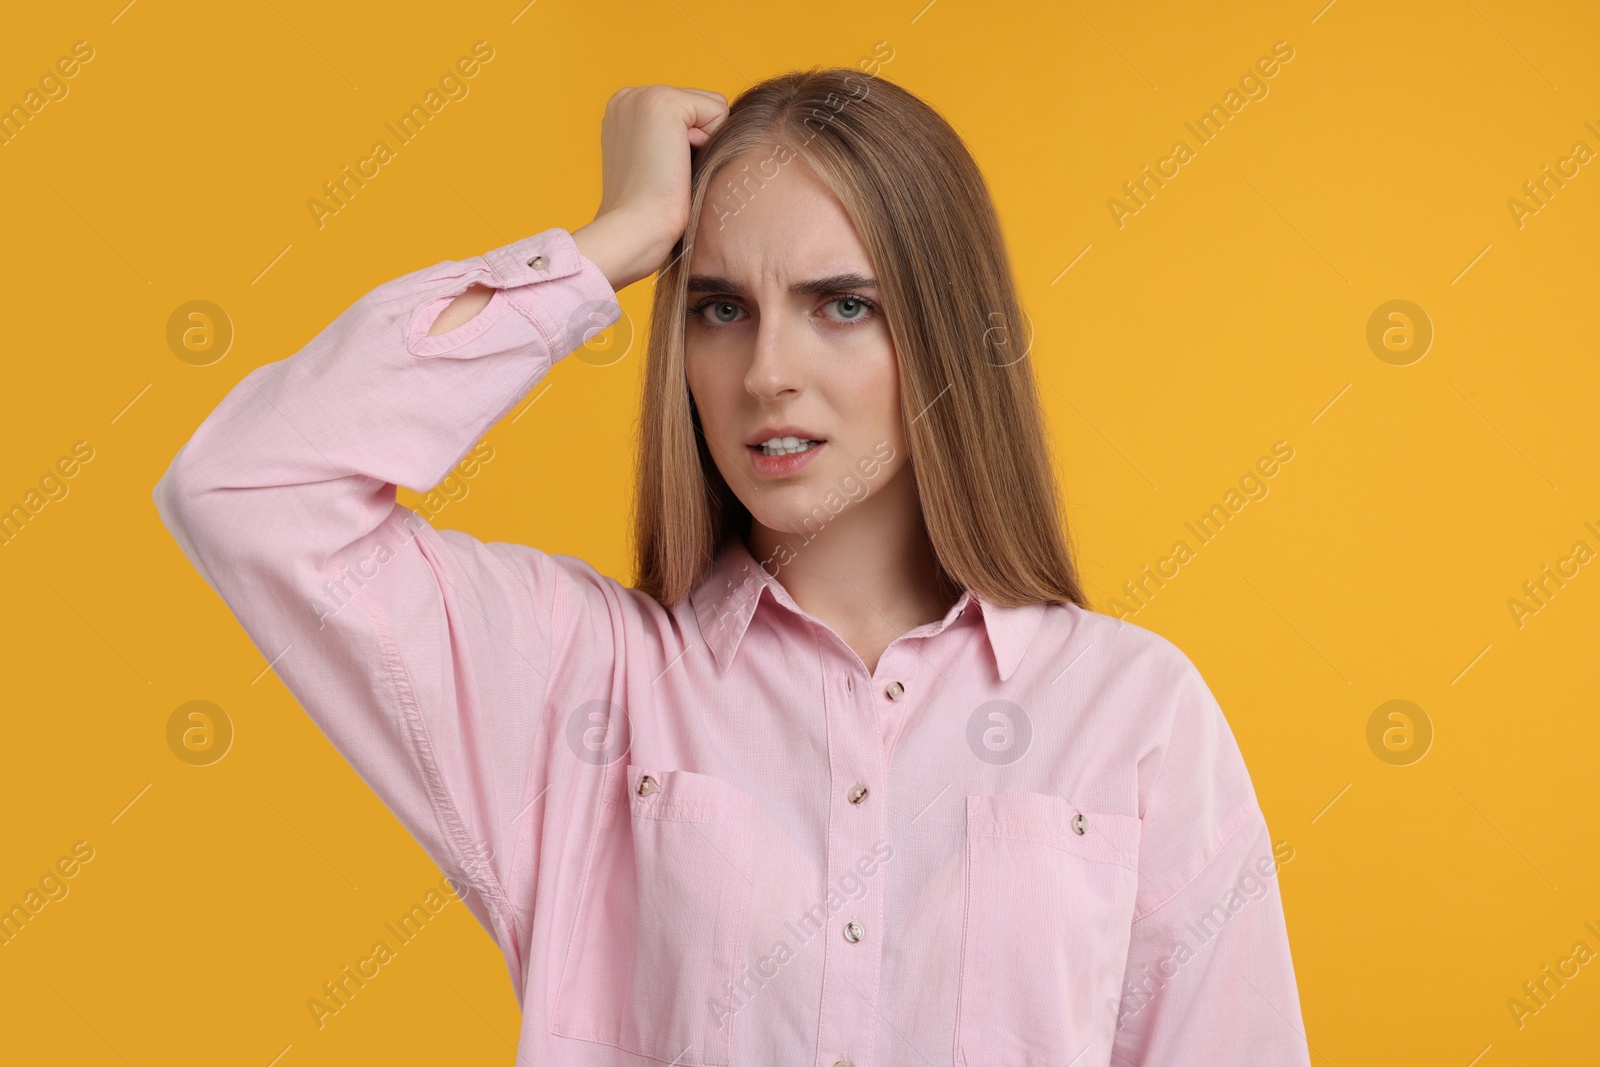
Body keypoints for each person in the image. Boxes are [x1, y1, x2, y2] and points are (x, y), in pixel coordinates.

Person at [153, 68, 1312, 1066]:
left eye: (840, 305)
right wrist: (612, 241)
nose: (766, 371)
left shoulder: (1132, 714)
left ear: (947, 333)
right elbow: (249, 488)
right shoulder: (578, 684)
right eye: (717, 306)